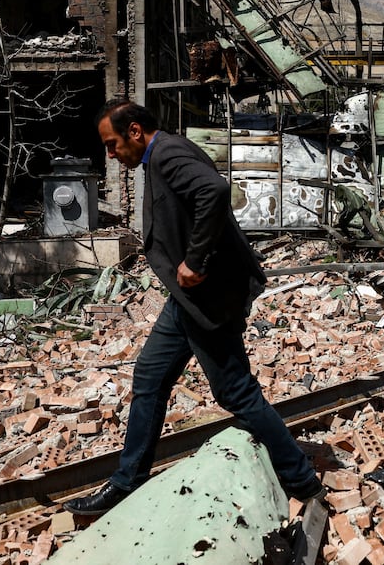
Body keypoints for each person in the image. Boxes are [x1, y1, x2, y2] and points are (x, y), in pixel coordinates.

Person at [65, 99, 323, 516]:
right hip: (186, 299)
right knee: (150, 376)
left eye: (112, 144)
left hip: (207, 295)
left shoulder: (167, 153)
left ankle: (302, 480)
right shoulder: (161, 154)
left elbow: (214, 191)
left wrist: (195, 260)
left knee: (236, 391)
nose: (110, 155)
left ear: (134, 131)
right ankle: (127, 481)